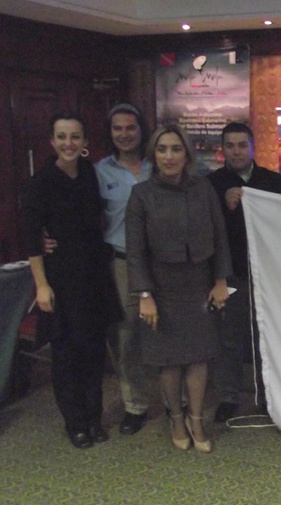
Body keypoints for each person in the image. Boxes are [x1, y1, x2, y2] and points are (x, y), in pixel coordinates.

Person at [126, 124, 232, 453]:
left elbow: (220, 237)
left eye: (176, 149)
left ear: (186, 154)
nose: (169, 156)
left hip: (199, 284)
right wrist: (145, 295)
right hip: (161, 288)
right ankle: (175, 417)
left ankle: (196, 419)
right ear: (154, 155)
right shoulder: (141, 194)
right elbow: (135, 251)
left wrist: (221, 280)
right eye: (162, 149)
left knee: (199, 357)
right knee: (169, 360)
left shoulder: (203, 189)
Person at [23, 111, 122, 449]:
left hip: (93, 275)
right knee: (66, 355)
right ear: (52, 142)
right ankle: (76, 424)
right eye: (62, 137)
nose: (69, 143)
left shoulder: (89, 174)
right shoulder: (39, 183)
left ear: (84, 142)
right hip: (60, 278)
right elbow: (32, 239)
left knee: (94, 352)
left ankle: (94, 419)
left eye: (75, 136)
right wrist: (41, 285)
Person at [207, 122, 281, 423]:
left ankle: (269, 396)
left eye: (242, 145)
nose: (237, 151)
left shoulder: (273, 181)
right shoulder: (211, 185)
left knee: (266, 337)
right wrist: (223, 204)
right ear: (223, 150)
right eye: (230, 146)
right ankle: (229, 397)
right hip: (230, 274)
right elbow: (205, 228)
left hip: (268, 276)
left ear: (253, 147)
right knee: (228, 338)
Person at [94, 103, 154, 436]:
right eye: (117, 128)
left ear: (141, 130)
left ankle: (178, 399)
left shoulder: (158, 163)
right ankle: (135, 405)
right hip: (121, 262)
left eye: (130, 127)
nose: (124, 134)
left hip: (161, 262)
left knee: (169, 331)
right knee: (125, 337)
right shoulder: (100, 172)